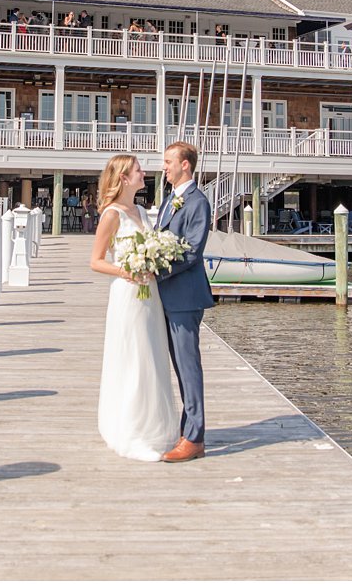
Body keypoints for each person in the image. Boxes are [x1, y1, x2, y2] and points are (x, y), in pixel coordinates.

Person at [91, 153, 177, 462]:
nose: (144, 173)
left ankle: (157, 425)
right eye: (138, 170)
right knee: (132, 356)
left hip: (150, 293)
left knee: (152, 355)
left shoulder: (141, 209)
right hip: (127, 294)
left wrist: (155, 259)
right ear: (124, 178)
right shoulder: (112, 214)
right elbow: (96, 261)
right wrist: (127, 271)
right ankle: (132, 430)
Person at [154, 141, 214, 462]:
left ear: (185, 165)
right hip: (165, 296)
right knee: (178, 367)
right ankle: (186, 428)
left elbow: (191, 251)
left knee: (188, 367)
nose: (164, 167)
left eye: (168, 162)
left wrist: (155, 271)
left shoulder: (197, 203)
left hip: (185, 295)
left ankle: (195, 438)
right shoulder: (168, 201)